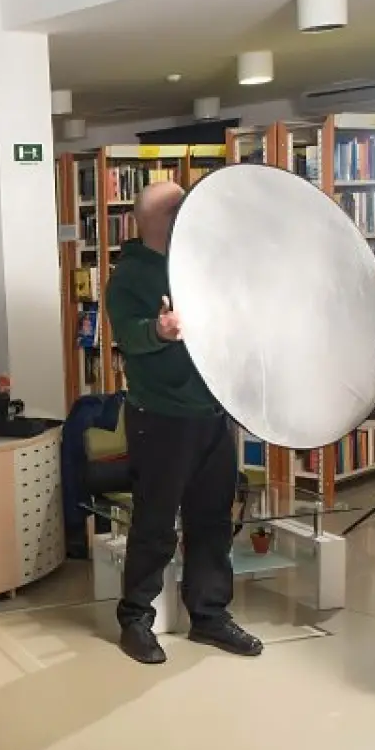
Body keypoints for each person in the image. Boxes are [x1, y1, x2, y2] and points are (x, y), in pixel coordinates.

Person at [103, 181, 265, 665]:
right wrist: (158, 329)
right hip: (161, 417)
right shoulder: (129, 276)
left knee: (213, 520)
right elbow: (129, 335)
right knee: (154, 523)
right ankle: (135, 619)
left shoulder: (203, 262)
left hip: (212, 412)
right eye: (179, 207)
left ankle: (209, 616)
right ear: (157, 220)